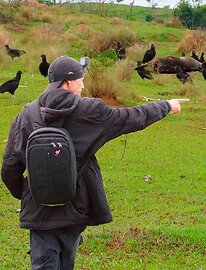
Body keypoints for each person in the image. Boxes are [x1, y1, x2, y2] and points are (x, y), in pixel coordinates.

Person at [1, 55, 188, 269]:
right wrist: (165, 106)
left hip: (39, 209)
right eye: (81, 80)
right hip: (76, 206)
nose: (83, 86)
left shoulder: (25, 116)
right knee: (66, 262)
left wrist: (31, 191)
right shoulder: (91, 111)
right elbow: (133, 117)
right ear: (68, 82)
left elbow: (9, 169)